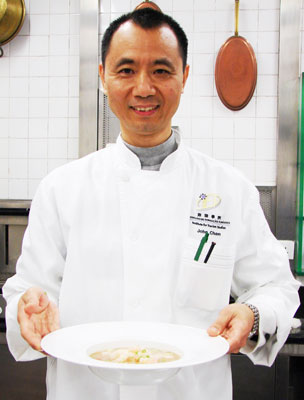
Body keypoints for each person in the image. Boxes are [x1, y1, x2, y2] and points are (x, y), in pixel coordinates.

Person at [3, 7, 300, 400]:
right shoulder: (62, 189)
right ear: (103, 78)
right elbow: (30, 288)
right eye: (125, 70)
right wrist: (27, 305)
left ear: (185, 76)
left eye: (161, 70)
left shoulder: (229, 190)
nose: (143, 88)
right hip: (85, 391)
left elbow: (275, 287)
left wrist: (254, 313)